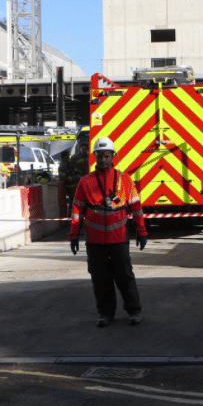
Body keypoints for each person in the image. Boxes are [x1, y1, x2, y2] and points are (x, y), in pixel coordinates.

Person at [69, 137, 148, 327]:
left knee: (125, 276)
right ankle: (105, 313)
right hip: (95, 242)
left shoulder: (125, 181)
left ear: (113, 157)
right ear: (94, 157)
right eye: (100, 156)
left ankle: (134, 310)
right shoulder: (85, 182)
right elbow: (77, 210)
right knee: (100, 278)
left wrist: (141, 231)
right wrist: (73, 235)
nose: (103, 159)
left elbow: (136, 208)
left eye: (107, 155)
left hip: (119, 239)